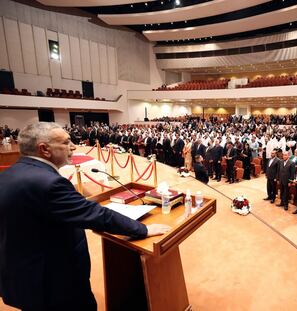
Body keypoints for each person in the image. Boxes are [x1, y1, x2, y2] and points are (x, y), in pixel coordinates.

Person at [0, 122, 171, 311]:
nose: (73, 147)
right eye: (66, 142)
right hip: (54, 284)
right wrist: (144, 229)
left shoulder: (8, 175)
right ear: (44, 149)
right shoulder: (49, 183)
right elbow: (97, 215)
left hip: (23, 276)